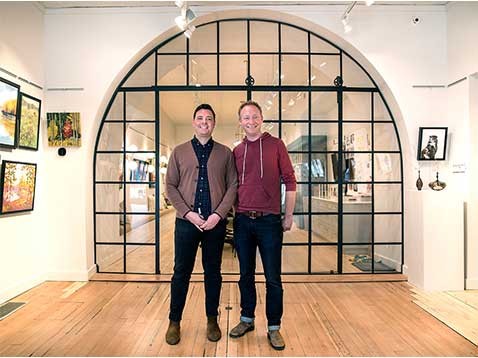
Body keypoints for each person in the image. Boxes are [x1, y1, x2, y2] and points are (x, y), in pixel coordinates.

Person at [165, 103, 237, 345]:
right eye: (200, 118)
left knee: (213, 272)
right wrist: (187, 213)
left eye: (208, 118)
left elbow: (233, 187)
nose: (204, 122)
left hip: (214, 224)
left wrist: (218, 214)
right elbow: (170, 187)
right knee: (180, 272)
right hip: (186, 223)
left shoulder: (225, 153)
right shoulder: (179, 151)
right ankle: (174, 321)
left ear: (214, 123)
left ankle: (211, 319)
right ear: (193, 122)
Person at [229, 100, 297, 350]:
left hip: (269, 222)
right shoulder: (236, 151)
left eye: (254, 116)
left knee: (273, 278)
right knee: (245, 275)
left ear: (261, 118)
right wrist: (237, 212)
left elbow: (290, 181)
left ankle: (274, 327)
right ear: (240, 122)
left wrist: (288, 215)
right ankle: (246, 319)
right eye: (245, 117)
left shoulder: (276, 145)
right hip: (244, 222)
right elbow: (233, 186)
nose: (250, 121)